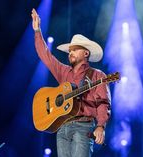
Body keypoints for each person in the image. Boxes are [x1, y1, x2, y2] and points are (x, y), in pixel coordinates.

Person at [31, 9, 111, 157]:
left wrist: (100, 126)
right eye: (69, 51)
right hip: (62, 126)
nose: (70, 53)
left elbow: (103, 104)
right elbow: (45, 55)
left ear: (86, 53)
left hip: (84, 127)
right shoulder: (64, 71)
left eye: (75, 50)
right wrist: (37, 31)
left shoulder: (97, 75)